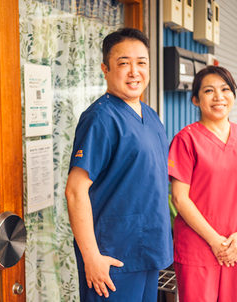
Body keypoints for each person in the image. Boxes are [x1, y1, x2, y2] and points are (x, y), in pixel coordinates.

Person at [65, 27, 173, 301]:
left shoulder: (151, 116)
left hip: (148, 249)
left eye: (141, 63)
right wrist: (91, 258)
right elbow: (75, 191)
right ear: (105, 69)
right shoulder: (100, 118)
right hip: (112, 258)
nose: (134, 71)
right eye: (123, 63)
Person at [168, 66, 237, 302]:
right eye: (209, 91)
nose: (219, 97)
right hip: (198, 248)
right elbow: (179, 198)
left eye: (225, 89)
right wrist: (216, 242)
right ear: (195, 99)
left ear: (233, 95)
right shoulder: (186, 140)